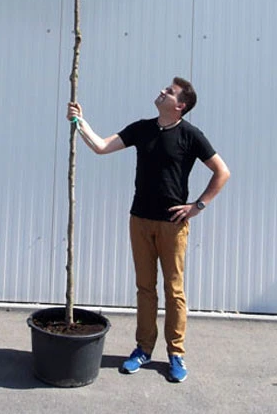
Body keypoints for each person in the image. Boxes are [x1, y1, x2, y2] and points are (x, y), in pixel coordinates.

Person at [67, 76, 230, 383]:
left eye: (169, 92)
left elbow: (222, 172)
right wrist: (79, 121)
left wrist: (197, 206)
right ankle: (143, 349)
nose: (162, 92)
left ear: (180, 105)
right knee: (145, 288)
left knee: (174, 290)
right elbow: (101, 147)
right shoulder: (142, 129)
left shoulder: (191, 135)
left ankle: (176, 353)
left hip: (173, 226)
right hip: (140, 220)